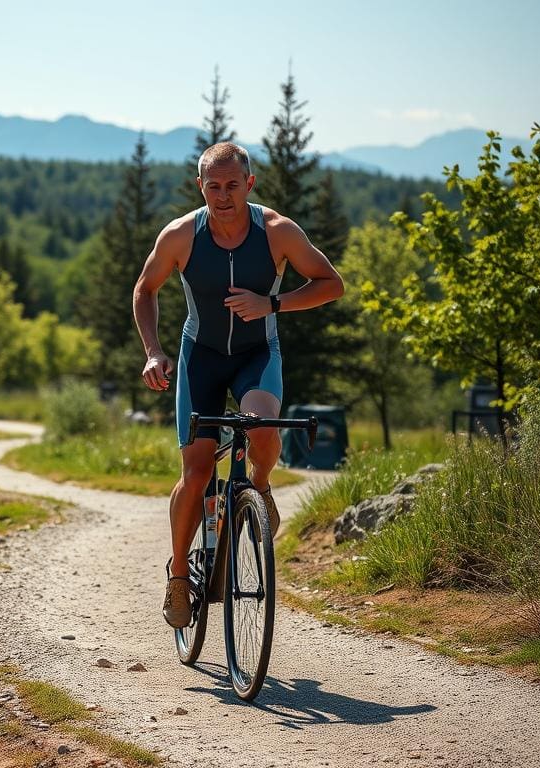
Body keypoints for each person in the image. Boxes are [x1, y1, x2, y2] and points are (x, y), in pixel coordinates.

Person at [132, 142, 344, 629]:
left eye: (232, 185)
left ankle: (261, 486)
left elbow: (330, 283)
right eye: (213, 186)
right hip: (200, 358)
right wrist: (153, 351)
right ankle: (180, 576)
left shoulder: (277, 232)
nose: (223, 196)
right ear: (200, 186)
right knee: (197, 469)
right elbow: (145, 288)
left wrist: (271, 305)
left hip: (256, 354)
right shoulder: (181, 235)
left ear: (249, 184)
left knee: (263, 427)